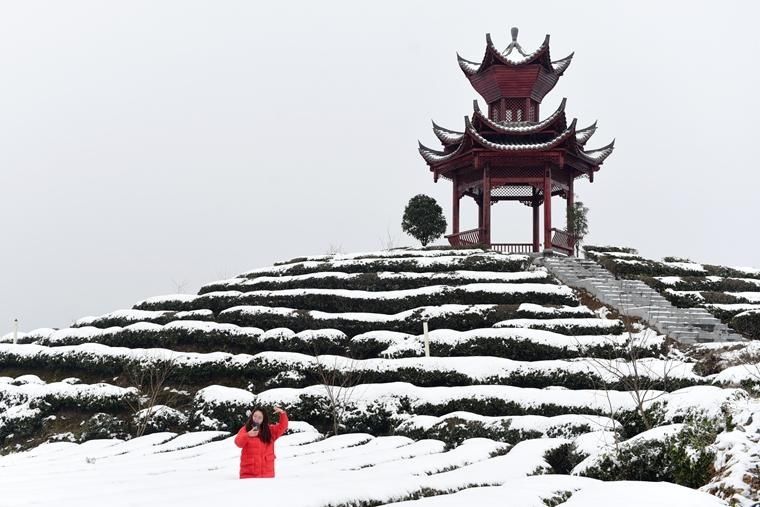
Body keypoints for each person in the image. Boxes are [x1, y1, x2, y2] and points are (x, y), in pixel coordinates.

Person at [234, 405, 288, 479]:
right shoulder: (246, 429)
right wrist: (248, 435)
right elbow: (238, 443)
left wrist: (282, 414)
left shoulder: (270, 431)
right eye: (255, 416)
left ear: (263, 420)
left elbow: (283, 427)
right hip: (248, 475)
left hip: (267, 476)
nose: (256, 419)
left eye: (260, 418)